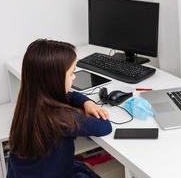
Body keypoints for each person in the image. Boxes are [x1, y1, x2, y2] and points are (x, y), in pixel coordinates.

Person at [7, 39, 112, 178]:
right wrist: (88, 105)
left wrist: (88, 103)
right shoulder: (57, 118)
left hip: (28, 172)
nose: (74, 78)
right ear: (54, 79)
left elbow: (71, 95)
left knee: (81, 167)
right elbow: (104, 127)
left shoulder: (29, 102)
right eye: (72, 73)